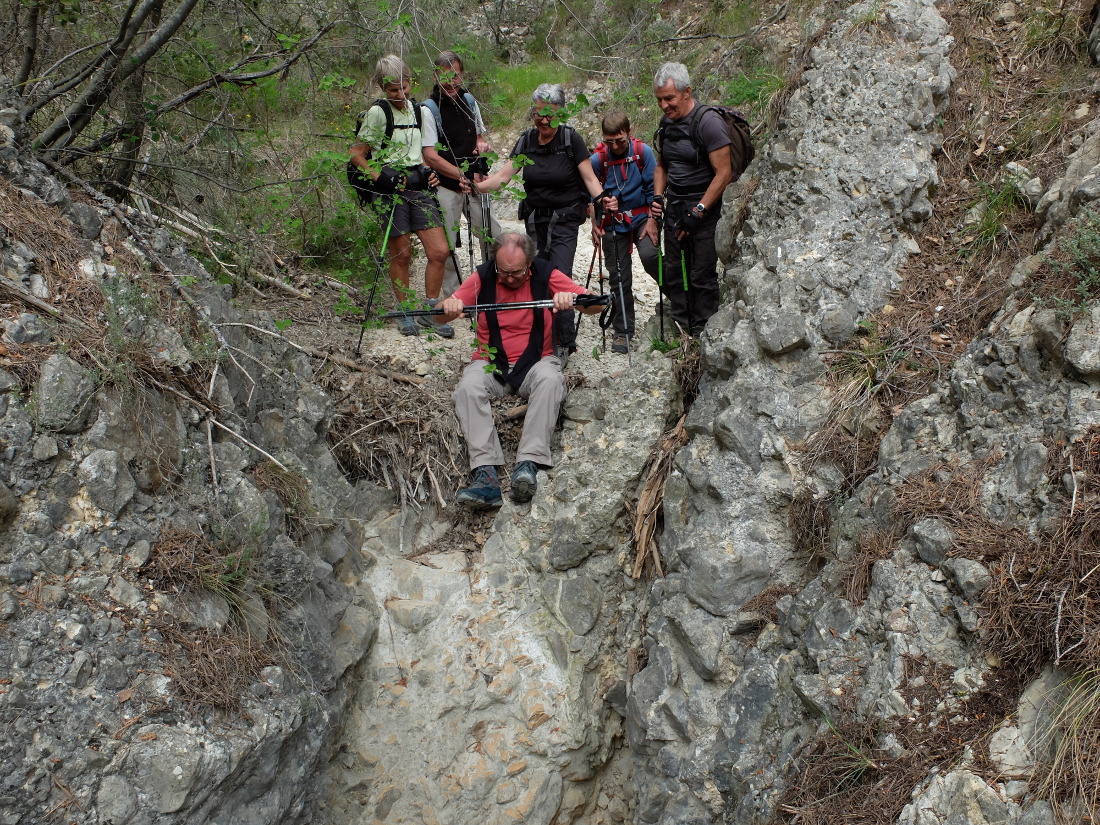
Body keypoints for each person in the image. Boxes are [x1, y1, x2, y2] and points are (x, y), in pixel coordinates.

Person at [436, 232, 604, 507]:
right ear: (495, 263)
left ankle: (528, 463)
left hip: (536, 361)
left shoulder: (545, 273)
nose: (510, 278)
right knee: (468, 387)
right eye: (504, 272)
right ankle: (485, 475)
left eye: (517, 272)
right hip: (491, 362)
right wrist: (449, 307)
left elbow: (595, 304)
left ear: (529, 263)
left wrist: (570, 300)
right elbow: (441, 314)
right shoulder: (483, 276)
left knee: (551, 380)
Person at [348, 54, 453, 338]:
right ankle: (405, 312)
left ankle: (430, 311)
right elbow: (357, 154)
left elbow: (427, 152)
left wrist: (429, 172)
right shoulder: (378, 113)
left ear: (410, 82)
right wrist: (379, 178)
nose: (400, 94)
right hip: (389, 191)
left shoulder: (420, 111)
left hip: (418, 187)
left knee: (440, 251)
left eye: (404, 87)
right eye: (393, 89)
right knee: (402, 253)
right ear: (383, 87)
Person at [464, 84, 611, 276]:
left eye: (550, 115)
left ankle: (563, 307)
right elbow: (503, 176)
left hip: (565, 221)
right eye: (538, 114)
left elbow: (590, 178)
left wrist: (602, 199)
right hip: (534, 222)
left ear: (561, 113)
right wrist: (477, 187)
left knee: (559, 276)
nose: (543, 120)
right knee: (537, 277)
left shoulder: (570, 139)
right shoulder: (527, 141)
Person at [643, 62, 735, 334]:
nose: (663, 106)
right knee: (673, 268)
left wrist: (699, 211)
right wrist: (658, 197)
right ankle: (681, 326)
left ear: (686, 92)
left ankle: (704, 331)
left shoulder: (709, 123)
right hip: (675, 208)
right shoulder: (667, 124)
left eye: (669, 98)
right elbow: (662, 165)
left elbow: (724, 172)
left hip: (704, 211)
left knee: (701, 273)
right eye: (659, 99)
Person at [421, 51, 503, 296]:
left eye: (456, 75)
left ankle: (492, 286)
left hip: (473, 181)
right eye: (446, 76)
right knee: (445, 245)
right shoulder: (429, 110)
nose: (451, 82)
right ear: (436, 76)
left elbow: (478, 136)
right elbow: (430, 155)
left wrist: (481, 148)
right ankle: (456, 296)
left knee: (492, 235)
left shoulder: (469, 101)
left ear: (462, 75)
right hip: (445, 185)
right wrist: (460, 175)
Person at [590, 112, 661, 354]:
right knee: (619, 276)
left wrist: (653, 220)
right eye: (610, 141)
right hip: (612, 223)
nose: (616, 146)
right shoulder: (598, 160)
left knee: (651, 256)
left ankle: (679, 301)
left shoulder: (643, 153)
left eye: (620, 140)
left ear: (629, 131)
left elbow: (654, 189)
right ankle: (623, 330)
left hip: (643, 218)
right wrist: (595, 224)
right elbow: (591, 197)